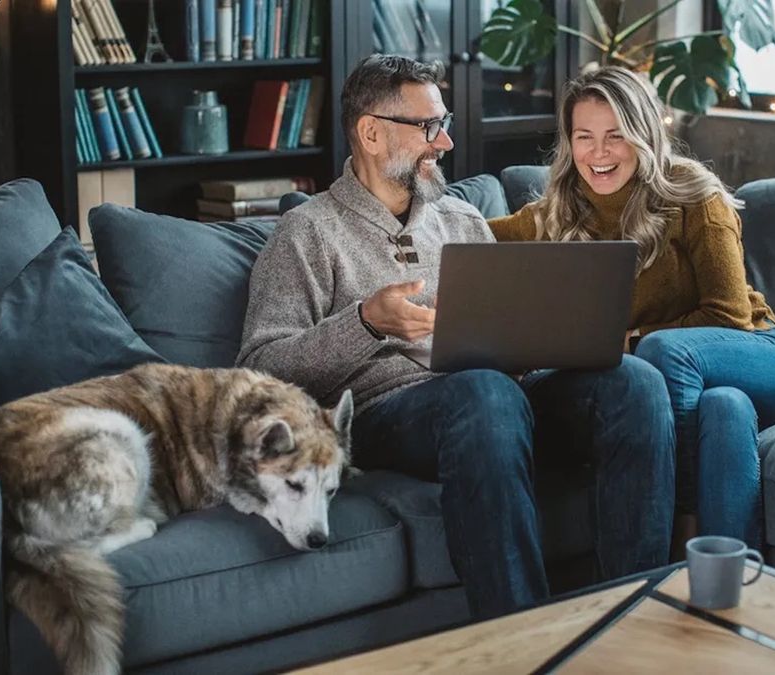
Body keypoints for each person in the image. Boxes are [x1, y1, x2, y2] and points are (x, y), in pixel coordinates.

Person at [237, 55, 675, 619]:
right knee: (483, 392)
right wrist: (366, 322)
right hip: (388, 413)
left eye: (444, 125)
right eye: (427, 127)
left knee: (633, 381)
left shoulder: (463, 221)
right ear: (371, 132)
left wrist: (564, 342)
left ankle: (634, 618)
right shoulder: (306, 233)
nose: (443, 143)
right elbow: (260, 368)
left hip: (497, 396)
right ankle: (521, 638)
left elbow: (508, 343)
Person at [488, 67, 775, 549]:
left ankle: (677, 526)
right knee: (724, 410)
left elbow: (730, 315)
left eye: (616, 136)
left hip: (769, 358)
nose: (598, 153)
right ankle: (728, 583)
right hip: (709, 389)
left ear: (643, 134)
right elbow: (469, 238)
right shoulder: (557, 211)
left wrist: (633, 341)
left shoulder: (692, 193)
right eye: (584, 137)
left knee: (665, 352)